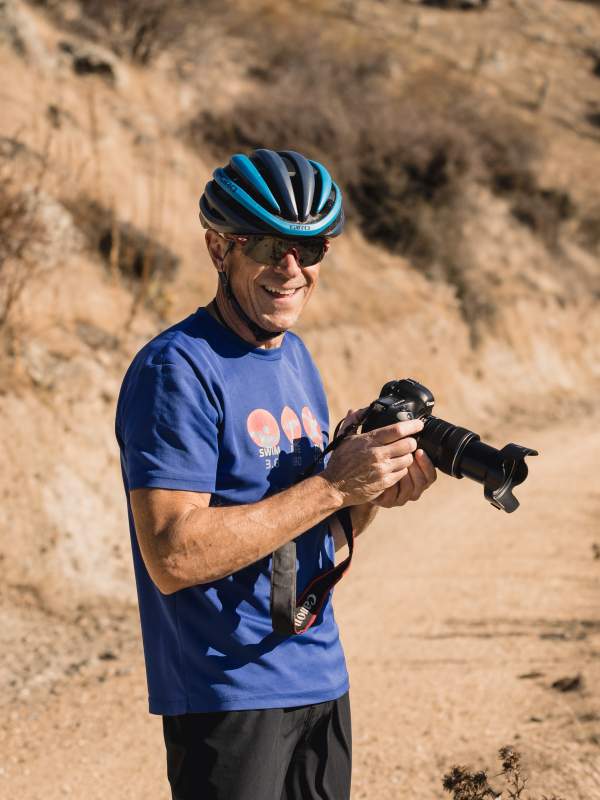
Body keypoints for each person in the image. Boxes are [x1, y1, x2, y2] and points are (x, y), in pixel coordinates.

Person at [115, 148, 437, 800]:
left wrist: (370, 490)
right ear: (218, 248)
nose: (291, 269)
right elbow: (172, 555)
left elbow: (319, 532)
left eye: (310, 247)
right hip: (228, 694)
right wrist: (332, 485)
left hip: (319, 677)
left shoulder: (295, 357)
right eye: (266, 244)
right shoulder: (177, 370)